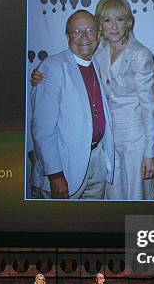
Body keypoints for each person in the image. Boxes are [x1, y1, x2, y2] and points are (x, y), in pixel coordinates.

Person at [31, 0, 154, 200]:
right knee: (111, 202)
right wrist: (39, 74)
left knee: (136, 199)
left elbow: (150, 108)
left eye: (119, 19)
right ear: (100, 25)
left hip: (135, 140)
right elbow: (68, 63)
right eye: (107, 20)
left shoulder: (140, 55)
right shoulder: (97, 51)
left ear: (128, 22)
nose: (114, 26)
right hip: (107, 143)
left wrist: (150, 153)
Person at [30, 10, 115, 199]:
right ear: (68, 36)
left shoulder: (98, 65)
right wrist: (55, 175)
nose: (84, 37)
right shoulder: (51, 67)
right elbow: (42, 129)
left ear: (98, 35)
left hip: (97, 163)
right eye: (76, 32)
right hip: (64, 168)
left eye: (89, 31)